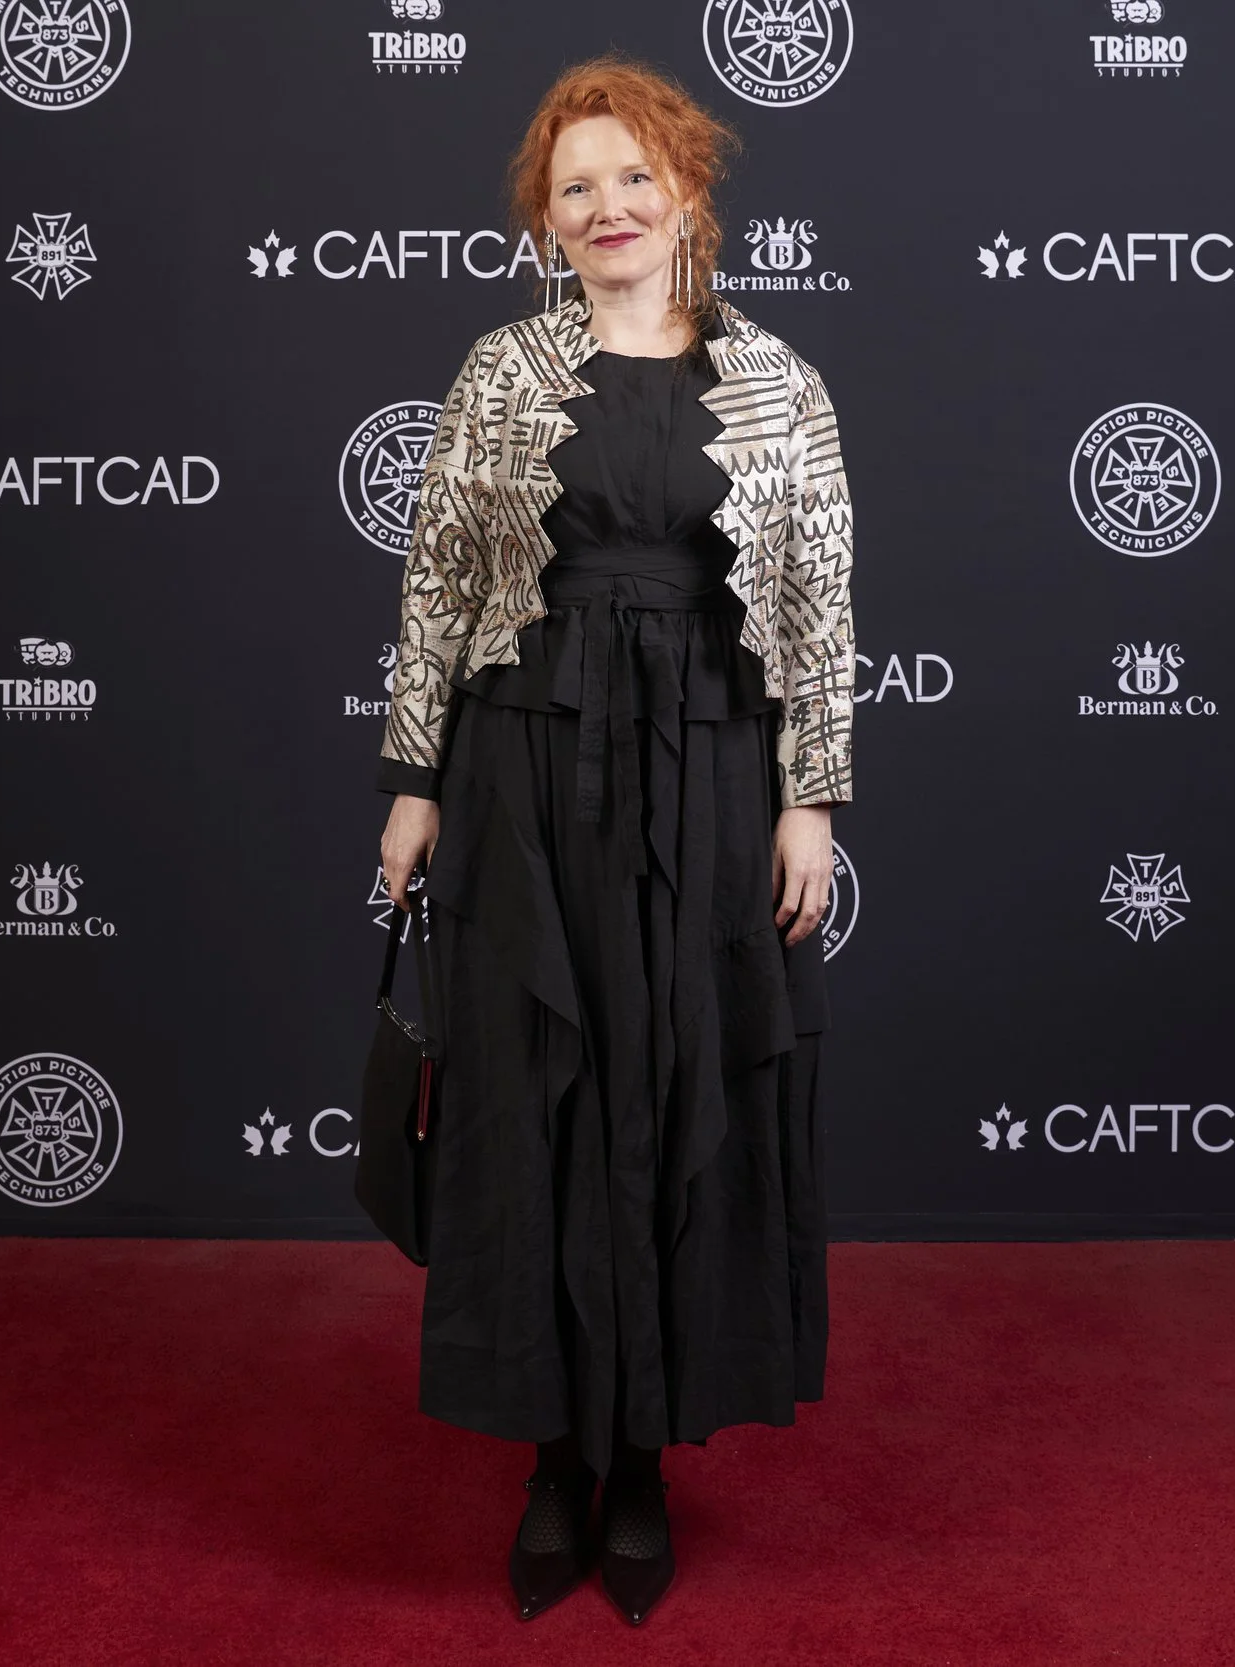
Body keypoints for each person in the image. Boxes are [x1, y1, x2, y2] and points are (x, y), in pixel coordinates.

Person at [373, 55, 856, 1627]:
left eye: (634, 176)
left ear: (689, 191)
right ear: (546, 221)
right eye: (574, 188)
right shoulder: (499, 369)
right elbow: (442, 579)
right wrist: (414, 779)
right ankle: (547, 1457)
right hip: (524, 759)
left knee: (669, 1086)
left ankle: (640, 1457)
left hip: (707, 770)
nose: (607, 207)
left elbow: (817, 607)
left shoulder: (781, 383)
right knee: (532, 1093)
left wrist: (809, 798)